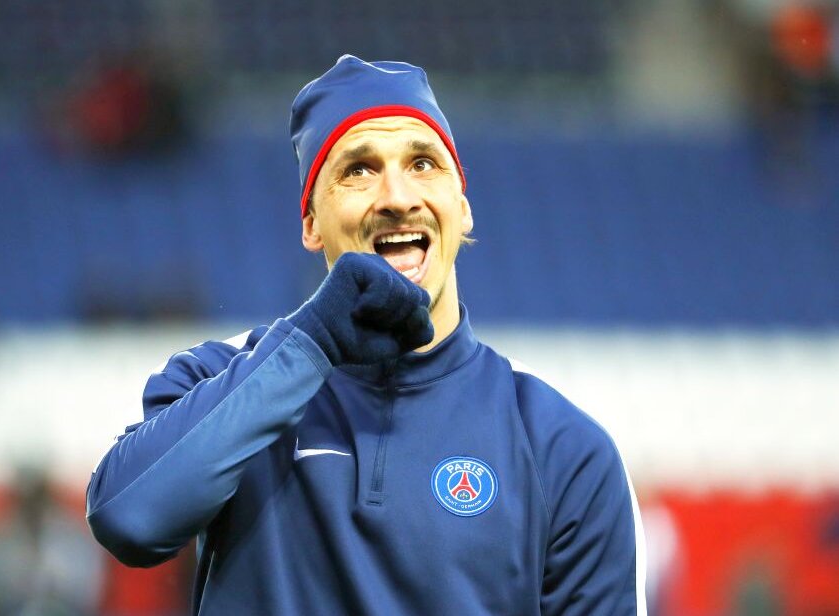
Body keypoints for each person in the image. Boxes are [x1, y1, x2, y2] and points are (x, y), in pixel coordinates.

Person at [87, 55, 647, 615]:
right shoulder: (220, 377)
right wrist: (313, 341)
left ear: (463, 208)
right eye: (358, 170)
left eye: (423, 164)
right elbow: (128, 520)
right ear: (311, 223)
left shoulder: (559, 445)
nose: (398, 198)